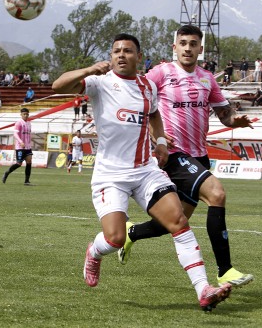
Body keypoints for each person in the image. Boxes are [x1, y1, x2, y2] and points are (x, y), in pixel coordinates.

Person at [52, 32, 232, 311]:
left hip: (146, 170)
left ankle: (203, 289)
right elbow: (57, 86)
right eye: (116, 51)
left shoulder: (147, 86)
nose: (121, 55)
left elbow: (154, 115)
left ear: (138, 56)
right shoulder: (99, 83)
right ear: (110, 57)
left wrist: (160, 142)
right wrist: (88, 69)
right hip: (111, 174)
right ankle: (94, 251)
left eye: (127, 51)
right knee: (115, 238)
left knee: (178, 220)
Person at [118, 25, 254, 288]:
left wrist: (235, 121)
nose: (188, 48)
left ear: (200, 49)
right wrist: (152, 135)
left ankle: (130, 232)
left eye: (193, 44)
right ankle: (224, 269)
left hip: (198, 157)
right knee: (217, 193)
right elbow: (136, 100)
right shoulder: (161, 73)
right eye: (183, 43)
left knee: (175, 220)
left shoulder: (207, 79)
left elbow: (224, 114)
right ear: (175, 47)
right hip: (173, 154)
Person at [2, 108, 34, 186]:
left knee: (29, 162)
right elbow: (15, 134)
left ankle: (26, 181)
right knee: (19, 163)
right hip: (20, 147)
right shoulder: (19, 123)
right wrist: (21, 142)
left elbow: (29, 134)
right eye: (24, 114)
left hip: (28, 147)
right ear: (21, 115)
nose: (26, 115)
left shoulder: (29, 123)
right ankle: (7, 173)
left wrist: (29, 143)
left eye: (27, 114)